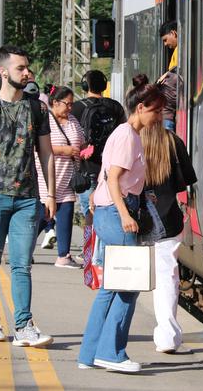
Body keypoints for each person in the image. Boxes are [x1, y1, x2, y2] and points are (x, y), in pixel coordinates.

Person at [78, 75, 165, 373]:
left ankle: (89, 354)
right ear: (141, 107)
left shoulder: (122, 133)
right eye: (157, 111)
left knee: (111, 287)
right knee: (129, 285)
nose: (160, 117)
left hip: (107, 210)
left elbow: (110, 176)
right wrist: (126, 214)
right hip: (117, 213)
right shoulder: (129, 136)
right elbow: (114, 178)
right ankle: (112, 353)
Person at [0, 45, 57, 347]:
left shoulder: (37, 108)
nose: (28, 73)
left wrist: (49, 194)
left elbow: (46, 152)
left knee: (22, 264)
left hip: (27, 198)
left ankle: (24, 325)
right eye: (21, 68)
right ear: (3, 71)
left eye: (28, 67)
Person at [139, 119, 197, 352]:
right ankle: (168, 337)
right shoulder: (172, 140)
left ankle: (114, 338)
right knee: (166, 279)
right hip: (168, 220)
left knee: (129, 278)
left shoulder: (131, 139)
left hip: (136, 219)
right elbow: (186, 182)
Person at [35, 86, 85, 268]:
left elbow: (81, 140)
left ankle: (63, 256)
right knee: (43, 215)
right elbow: (37, 146)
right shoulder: (44, 120)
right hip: (46, 178)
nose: (70, 108)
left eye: (72, 104)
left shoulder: (72, 121)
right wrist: (64, 150)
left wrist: (83, 150)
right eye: (67, 104)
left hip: (67, 176)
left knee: (66, 212)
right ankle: (24, 251)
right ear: (55, 103)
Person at [72, 70, 126, 219]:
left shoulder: (76, 108)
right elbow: (123, 134)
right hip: (112, 168)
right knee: (109, 209)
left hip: (87, 167)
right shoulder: (116, 107)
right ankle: (104, 239)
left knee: (89, 213)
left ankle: (89, 240)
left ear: (84, 85)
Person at [157, 21, 181, 132]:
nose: (165, 44)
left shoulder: (181, 49)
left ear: (173, 33)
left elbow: (181, 69)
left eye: (165, 40)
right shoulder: (177, 50)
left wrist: (168, 74)